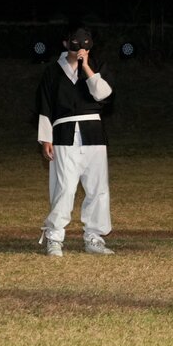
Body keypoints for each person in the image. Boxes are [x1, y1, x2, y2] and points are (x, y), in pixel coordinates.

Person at [35, 27, 114, 257]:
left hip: (93, 134)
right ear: (65, 43)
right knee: (64, 187)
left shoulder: (97, 66)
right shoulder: (52, 71)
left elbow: (104, 95)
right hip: (64, 133)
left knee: (97, 188)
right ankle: (55, 236)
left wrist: (87, 67)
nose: (80, 47)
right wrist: (45, 138)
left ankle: (94, 237)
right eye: (75, 43)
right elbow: (45, 104)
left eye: (84, 44)